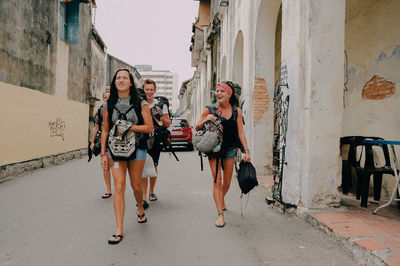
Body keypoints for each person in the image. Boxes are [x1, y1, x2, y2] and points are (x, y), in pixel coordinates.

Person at [100, 69, 153, 245]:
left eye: (125, 78)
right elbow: (105, 129)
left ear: (131, 82)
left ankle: (140, 207)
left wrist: (128, 127)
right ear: (114, 82)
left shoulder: (141, 103)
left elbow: (148, 127)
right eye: (118, 78)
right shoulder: (108, 105)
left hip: (137, 148)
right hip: (115, 150)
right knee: (119, 187)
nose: (121, 80)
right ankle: (119, 229)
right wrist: (103, 154)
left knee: (136, 186)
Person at [195, 81, 251, 228]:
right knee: (217, 182)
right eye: (217, 91)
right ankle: (220, 213)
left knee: (226, 183)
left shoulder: (236, 111)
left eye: (222, 91)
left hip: (230, 149)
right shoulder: (210, 110)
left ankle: (220, 199)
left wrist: (247, 151)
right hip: (214, 149)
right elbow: (197, 126)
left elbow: (241, 133)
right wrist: (206, 119)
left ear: (229, 94)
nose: (218, 93)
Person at [141, 79, 171, 205]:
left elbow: (168, 123)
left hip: (156, 138)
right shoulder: (139, 103)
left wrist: (159, 116)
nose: (148, 92)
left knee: (153, 165)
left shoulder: (161, 105)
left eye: (151, 89)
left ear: (155, 90)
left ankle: (151, 191)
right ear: (143, 90)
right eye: (146, 89)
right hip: (141, 137)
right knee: (141, 165)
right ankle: (143, 195)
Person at [90, 90, 112, 199]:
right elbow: (96, 128)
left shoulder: (116, 110)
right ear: (103, 99)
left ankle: (119, 187)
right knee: (105, 166)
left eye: (109, 97)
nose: (107, 99)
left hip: (116, 141)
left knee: (115, 166)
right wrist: (92, 141)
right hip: (103, 140)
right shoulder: (99, 111)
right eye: (105, 97)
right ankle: (108, 189)